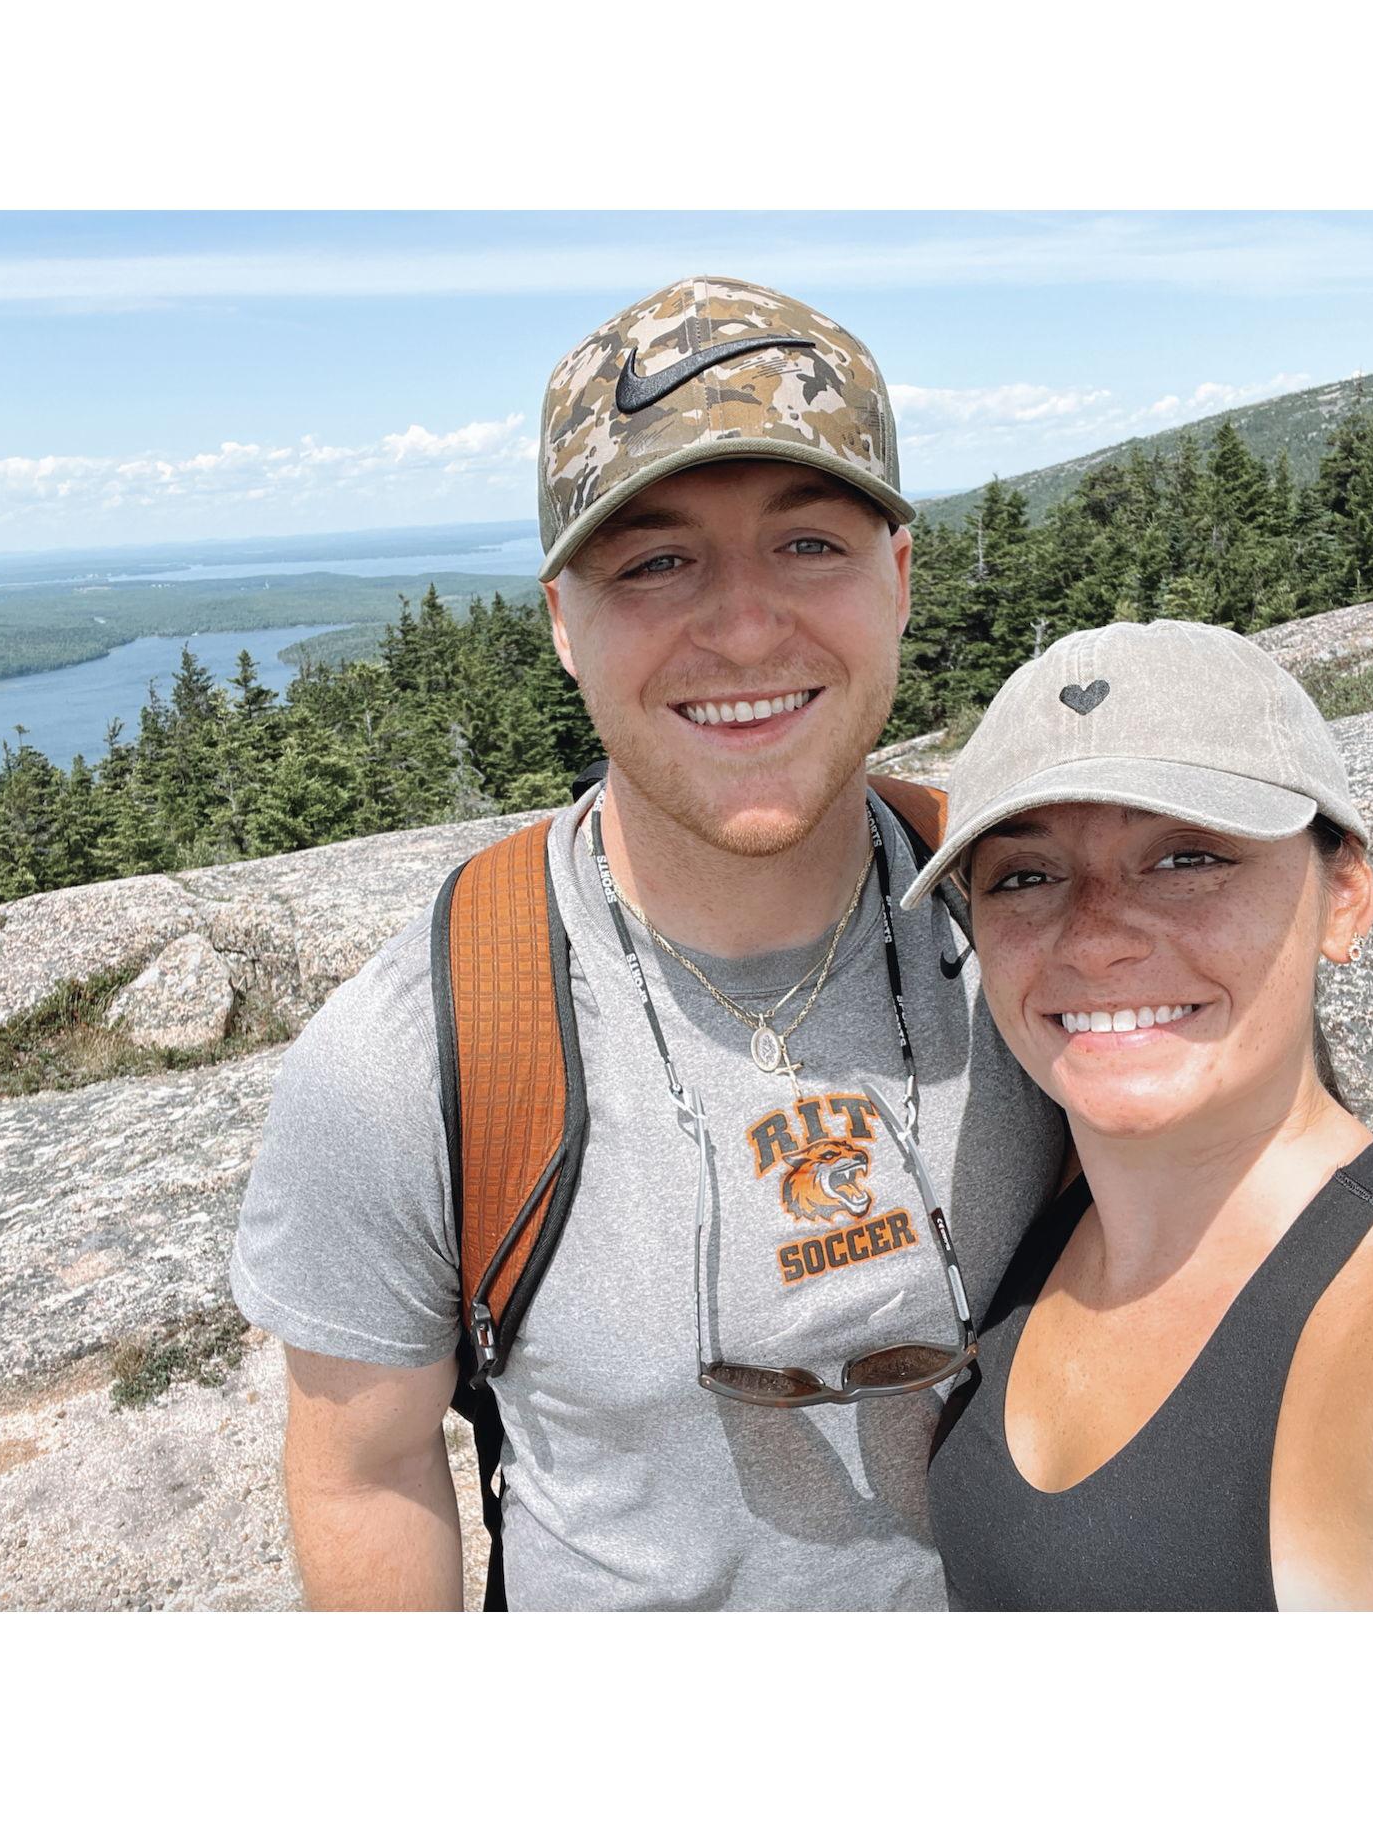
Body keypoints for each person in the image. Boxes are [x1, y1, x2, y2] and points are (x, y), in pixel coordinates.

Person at [229, 276, 1066, 1609]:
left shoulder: (1049, 925)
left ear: (897, 579)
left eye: (808, 543)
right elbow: (363, 1467)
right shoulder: (417, 1055)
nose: (741, 625)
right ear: (564, 617)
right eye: (655, 560)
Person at [909, 619, 1373, 1610]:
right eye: (1025, 876)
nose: (1094, 937)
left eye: (1187, 857)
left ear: (1344, 896)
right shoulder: (1046, 1224)